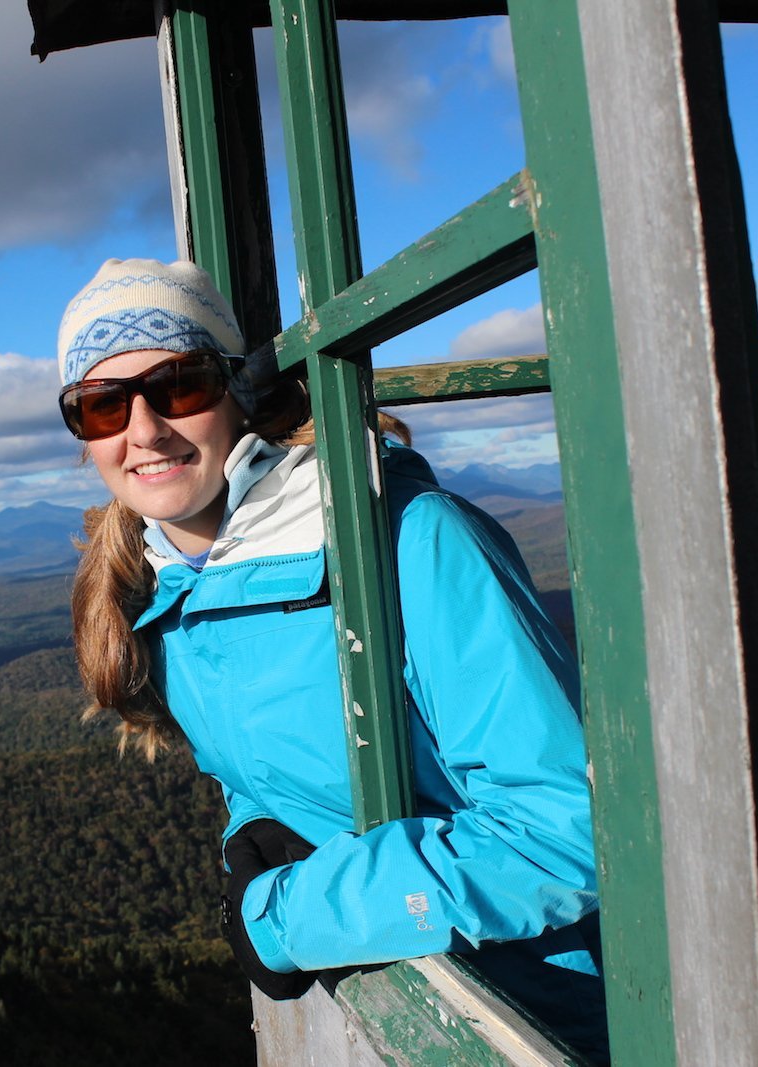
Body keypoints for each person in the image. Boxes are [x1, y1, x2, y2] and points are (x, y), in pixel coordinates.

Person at [59, 258, 608, 1061]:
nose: (143, 430)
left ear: (234, 391)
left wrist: (285, 918)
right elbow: (261, 776)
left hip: (545, 1017)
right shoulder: (167, 596)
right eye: (103, 404)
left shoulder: (409, 540)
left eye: (177, 385)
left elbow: (567, 828)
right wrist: (253, 840)